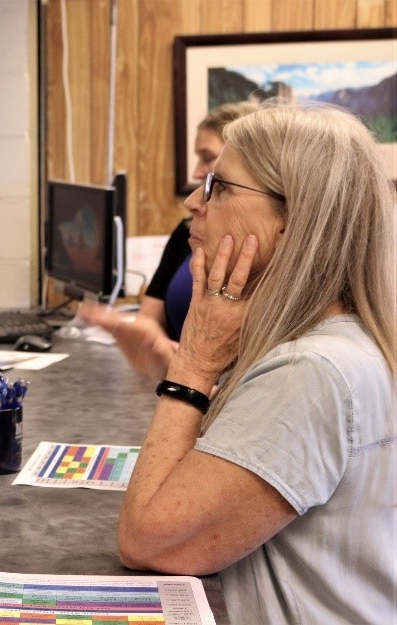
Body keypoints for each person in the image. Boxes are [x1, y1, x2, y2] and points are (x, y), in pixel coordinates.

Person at [114, 102, 396, 624]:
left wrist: (194, 364)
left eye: (220, 186)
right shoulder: (340, 341)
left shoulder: (309, 371)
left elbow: (150, 540)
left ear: (293, 224)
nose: (193, 201)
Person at [141, 101, 259, 342]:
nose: (196, 173)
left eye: (207, 157)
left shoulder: (262, 247)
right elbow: (147, 320)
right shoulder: (186, 231)